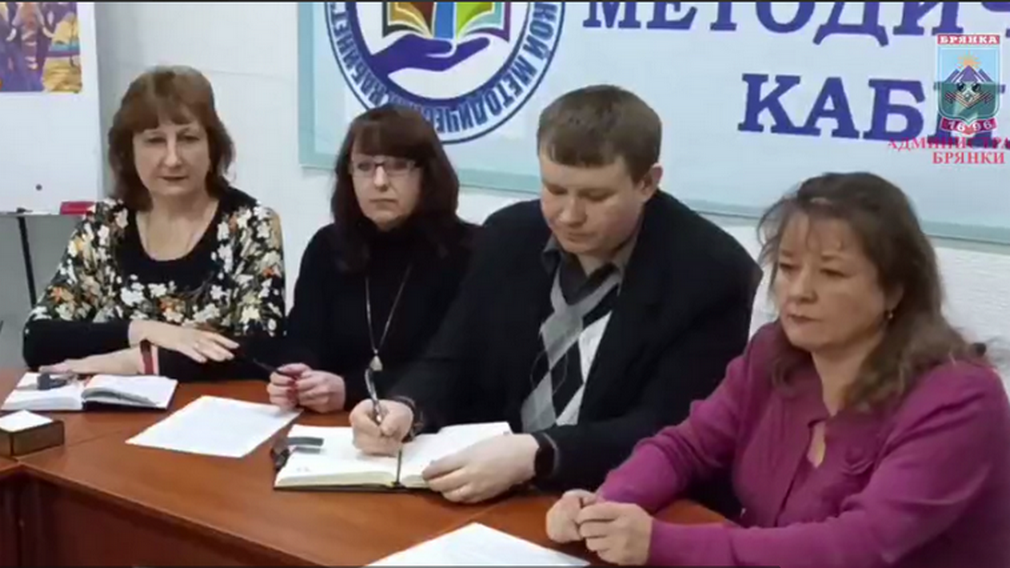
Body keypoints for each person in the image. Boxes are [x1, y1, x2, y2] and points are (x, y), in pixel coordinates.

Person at [545, 172, 1010, 568]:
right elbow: (685, 447)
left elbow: (860, 545)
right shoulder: (772, 353)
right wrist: (607, 504)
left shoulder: (959, 399)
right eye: (787, 267)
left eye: (831, 273)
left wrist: (661, 543)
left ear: (895, 290)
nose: (799, 291)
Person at [348, 85, 761, 507]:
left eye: (596, 196)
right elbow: (453, 358)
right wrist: (407, 407)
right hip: (495, 493)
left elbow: (670, 430)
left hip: (622, 501)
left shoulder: (711, 273)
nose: (569, 215)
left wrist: (539, 453)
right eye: (555, 189)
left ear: (647, 183)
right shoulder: (508, 236)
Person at [22, 65, 286, 381]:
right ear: (129, 150)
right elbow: (38, 339)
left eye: (188, 138)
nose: (173, 159)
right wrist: (143, 331)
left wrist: (140, 360)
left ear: (212, 147)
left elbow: (260, 352)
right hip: (114, 407)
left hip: (215, 406)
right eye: (155, 141)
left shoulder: (250, 225)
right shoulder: (105, 224)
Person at [265, 105, 477, 415]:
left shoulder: (469, 252)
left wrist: (353, 390)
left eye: (397, 166)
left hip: (428, 425)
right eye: (364, 166)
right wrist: (295, 376)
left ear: (427, 174)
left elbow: (461, 371)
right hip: (332, 424)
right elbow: (302, 339)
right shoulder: (328, 246)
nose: (379, 182)